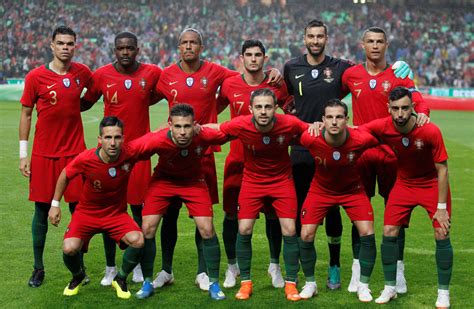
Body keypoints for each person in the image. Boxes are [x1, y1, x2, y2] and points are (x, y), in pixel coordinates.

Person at [283, 19, 412, 290]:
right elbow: (284, 95)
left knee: (335, 210)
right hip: (302, 149)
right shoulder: (291, 67)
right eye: (311, 36)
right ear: (304, 38)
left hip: (337, 150)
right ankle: (293, 275)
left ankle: (335, 266)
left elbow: (370, 73)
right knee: (297, 214)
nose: (315, 41)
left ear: (326, 38)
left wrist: (400, 71)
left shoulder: (343, 69)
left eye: (320, 36)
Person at [153, 28, 281, 290]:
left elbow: (247, 78)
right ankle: (167, 270)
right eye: (184, 43)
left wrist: (273, 72)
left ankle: (204, 271)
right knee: (169, 214)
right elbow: (148, 94)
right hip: (172, 152)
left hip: (204, 153)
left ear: (201, 47)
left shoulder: (217, 72)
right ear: (178, 47)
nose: (189, 47)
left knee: (203, 216)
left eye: (193, 43)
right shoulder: (165, 75)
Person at [341, 26, 430, 293]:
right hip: (361, 155)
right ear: (362, 44)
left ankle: (398, 272)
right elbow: (325, 86)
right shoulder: (351, 74)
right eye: (370, 41)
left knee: (396, 215)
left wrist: (424, 113)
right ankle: (357, 271)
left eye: (380, 41)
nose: (375, 46)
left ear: (387, 44)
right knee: (358, 214)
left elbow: (417, 100)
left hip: (393, 155)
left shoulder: (398, 74)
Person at [208, 88, 312, 301]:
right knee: (244, 228)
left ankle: (291, 283)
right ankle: (246, 282)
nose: (263, 111)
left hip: (282, 182)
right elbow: (216, 128)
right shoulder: (241, 124)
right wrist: (195, 128)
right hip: (252, 182)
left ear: (275, 108)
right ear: (250, 109)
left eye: (267, 107)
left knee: (290, 230)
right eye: (258, 107)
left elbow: (312, 129)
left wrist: (322, 125)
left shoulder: (289, 123)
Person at [80, 31, 162, 286]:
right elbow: (85, 102)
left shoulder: (152, 73)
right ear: (114, 50)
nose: (125, 52)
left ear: (138, 49)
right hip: (110, 155)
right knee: (110, 211)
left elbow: (161, 93)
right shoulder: (102, 74)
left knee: (138, 211)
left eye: (129, 48)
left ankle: (134, 263)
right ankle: (110, 267)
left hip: (138, 155)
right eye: (120, 48)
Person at [361, 87, 452, 308]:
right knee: (389, 231)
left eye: (404, 108)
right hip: (404, 184)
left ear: (413, 108)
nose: (400, 114)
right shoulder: (383, 126)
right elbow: (354, 130)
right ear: (388, 109)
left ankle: (443, 293)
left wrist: (441, 207)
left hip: (431, 184)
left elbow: (443, 170)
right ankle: (390, 287)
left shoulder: (430, 130)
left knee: (441, 232)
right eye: (395, 109)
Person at [130, 103, 229, 300]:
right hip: (163, 181)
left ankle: (214, 283)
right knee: (147, 228)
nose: (183, 132)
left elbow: (234, 128)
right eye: (177, 126)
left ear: (195, 125)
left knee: (207, 229)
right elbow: (128, 151)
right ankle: (148, 281)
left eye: (187, 126)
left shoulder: (204, 135)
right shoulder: (157, 139)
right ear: (169, 125)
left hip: (194, 182)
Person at [19, 26, 92, 288]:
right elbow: (26, 115)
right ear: (51, 45)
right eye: (60, 43)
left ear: (75, 46)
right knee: (40, 210)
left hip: (75, 155)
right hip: (43, 155)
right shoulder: (36, 77)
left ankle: (79, 268)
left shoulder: (82, 73)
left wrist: (78, 105)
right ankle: (38, 268)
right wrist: (23, 154)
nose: (65, 47)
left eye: (70, 43)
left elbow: (93, 93)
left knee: (79, 210)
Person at [216, 39, 292, 289]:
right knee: (230, 215)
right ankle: (232, 266)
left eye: (258, 55)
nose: (253, 59)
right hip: (238, 161)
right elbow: (212, 110)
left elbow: (292, 114)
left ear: (265, 58)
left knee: (273, 214)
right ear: (241, 58)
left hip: (271, 164)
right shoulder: (229, 85)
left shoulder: (276, 85)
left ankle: (274, 266)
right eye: (248, 54)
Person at [47, 116, 144, 299]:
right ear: (100, 140)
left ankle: (120, 278)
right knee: (69, 248)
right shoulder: (86, 158)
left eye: (117, 137)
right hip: (87, 214)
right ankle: (78, 276)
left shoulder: (130, 154)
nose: (113, 142)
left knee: (138, 240)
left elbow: (153, 138)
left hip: (116, 214)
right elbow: (65, 174)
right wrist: (55, 204)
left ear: (123, 138)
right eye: (108, 137)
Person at [298, 99, 379, 302]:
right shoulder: (310, 138)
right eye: (330, 117)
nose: (334, 122)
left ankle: (363, 285)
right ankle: (310, 284)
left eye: (339, 117)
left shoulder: (361, 138)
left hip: (352, 190)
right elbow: (284, 131)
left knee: (368, 232)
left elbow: (389, 133)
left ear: (347, 120)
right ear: (322, 120)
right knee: (306, 234)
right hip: (321, 190)